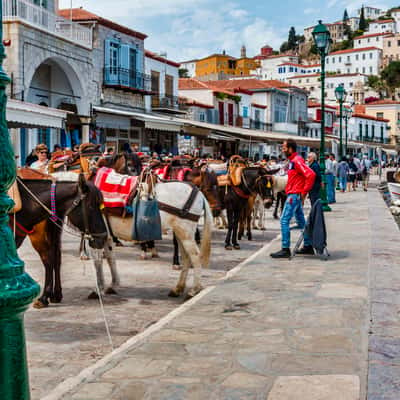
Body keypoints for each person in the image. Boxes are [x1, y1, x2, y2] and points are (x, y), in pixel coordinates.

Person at [270, 139, 316, 259]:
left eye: (284, 147)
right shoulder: (292, 162)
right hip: (294, 194)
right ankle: (308, 245)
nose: (282, 150)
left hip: (293, 196)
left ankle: (285, 249)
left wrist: (304, 192)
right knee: (301, 221)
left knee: (284, 220)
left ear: (290, 149)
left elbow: (311, 174)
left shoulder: (296, 161)